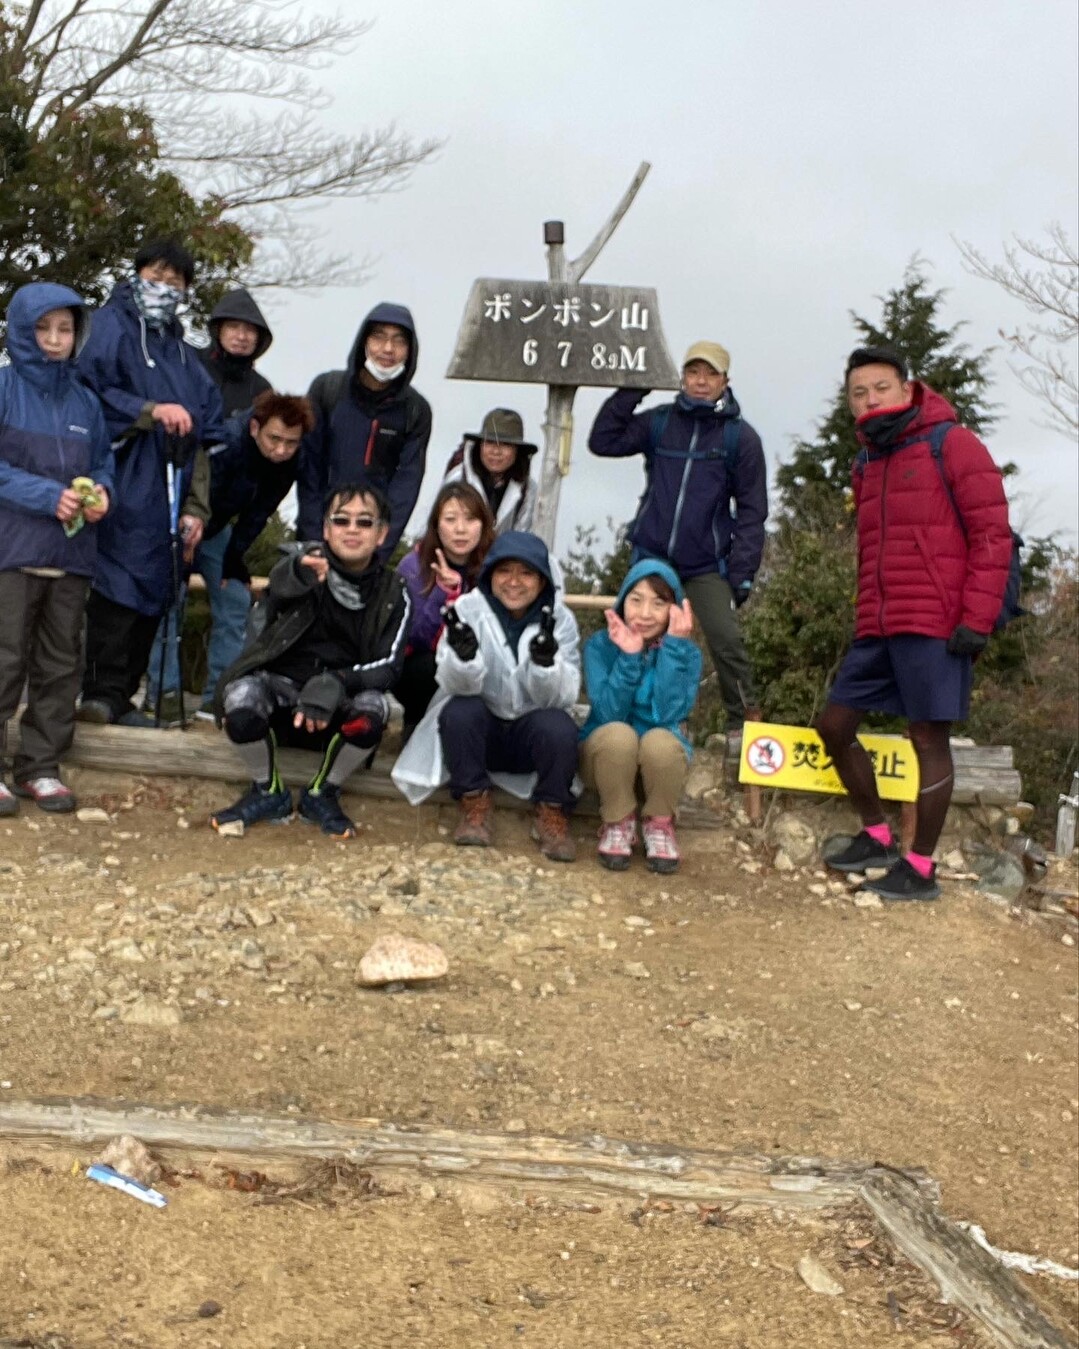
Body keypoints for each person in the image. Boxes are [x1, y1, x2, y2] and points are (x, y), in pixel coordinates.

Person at [818, 347, 1012, 901]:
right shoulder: (867, 461)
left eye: (880, 387)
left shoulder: (952, 443)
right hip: (879, 621)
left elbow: (992, 534)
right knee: (834, 726)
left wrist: (977, 619)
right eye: (858, 392)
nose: (869, 399)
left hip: (936, 620)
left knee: (928, 737)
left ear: (907, 388)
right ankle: (878, 836)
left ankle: (921, 868)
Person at [75, 236, 225, 727]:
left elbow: (205, 434)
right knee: (114, 585)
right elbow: (88, 390)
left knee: (157, 589)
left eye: (175, 282)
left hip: (170, 490)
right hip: (118, 479)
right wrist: (147, 411)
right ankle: (99, 690)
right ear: (137, 273)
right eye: (155, 277)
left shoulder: (186, 356)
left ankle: (125, 697)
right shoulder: (108, 326)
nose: (163, 288)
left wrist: (197, 510)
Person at [588, 340, 767, 747]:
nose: (701, 382)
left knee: (726, 641)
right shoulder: (660, 422)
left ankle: (744, 730)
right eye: (693, 372)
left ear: (726, 381)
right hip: (650, 555)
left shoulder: (741, 438)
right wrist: (636, 388)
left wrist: (741, 575)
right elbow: (603, 440)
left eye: (711, 374)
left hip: (707, 564)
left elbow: (753, 511)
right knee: (633, 634)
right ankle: (625, 718)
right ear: (682, 377)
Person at [210, 483, 410, 839]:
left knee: (374, 710)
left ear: (381, 534)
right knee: (240, 698)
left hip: (340, 707)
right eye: (341, 520)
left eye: (365, 523)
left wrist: (334, 683)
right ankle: (267, 790)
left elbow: (390, 666)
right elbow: (278, 591)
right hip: (281, 699)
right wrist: (294, 576)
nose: (352, 529)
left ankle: (323, 792)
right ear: (326, 528)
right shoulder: (305, 568)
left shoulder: (395, 591)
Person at [392, 531, 581, 862]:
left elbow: (563, 696)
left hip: (528, 737)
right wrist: (465, 659)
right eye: (505, 570)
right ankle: (474, 803)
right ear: (491, 573)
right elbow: (453, 684)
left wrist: (545, 664)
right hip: (481, 736)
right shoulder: (467, 609)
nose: (514, 582)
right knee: (459, 711)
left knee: (560, 726)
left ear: (542, 580)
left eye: (526, 573)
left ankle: (551, 811)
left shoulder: (560, 620)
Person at [0, 283, 114, 815]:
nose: (53, 339)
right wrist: (49, 496)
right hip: (12, 550)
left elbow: (103, 465)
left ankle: (40, 768)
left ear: (77, 334)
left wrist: (103, 494)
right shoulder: (2, 388)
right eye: (42, 328)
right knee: (4, 660)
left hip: (71, 557)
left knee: (59, 665)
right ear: (22, 331)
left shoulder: (85, 401)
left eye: (64, 328)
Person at [146, 391, 315, 721]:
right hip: (181, 517)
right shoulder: (226, 442)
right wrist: (184, 541)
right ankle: (164, 689)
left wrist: (235, 555)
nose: (281, 450)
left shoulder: (293, 459)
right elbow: (190, 488)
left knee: (236, 599)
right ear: (255, 428)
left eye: (291, 443)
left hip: (219, 527)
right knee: (171, 598)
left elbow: (261, 508)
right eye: (274, 439)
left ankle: (219, 695)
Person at [579, 560, 702, 874]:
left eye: (658, 603)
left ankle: (659, 825)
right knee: (619, 734)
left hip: (656, 769)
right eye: (636, 600)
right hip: (606, 761)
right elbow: (607, 714)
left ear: (674, 609)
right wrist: (629, 658)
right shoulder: (600, 646)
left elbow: (669, 714)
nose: (645, 613)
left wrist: (673, 649)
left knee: (662, 740)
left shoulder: (686, 654)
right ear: (622, 601)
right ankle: (617, 821)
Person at [296, 303, 431, 554]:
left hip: (372, 545)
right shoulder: (328, 389)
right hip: (320, 535)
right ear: (364, 341)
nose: (388, 348)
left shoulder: (416, 410)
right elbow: (309, 470)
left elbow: (406, 487)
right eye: (379, 337)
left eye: (399, 341)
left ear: (410, 351)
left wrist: (379, 551)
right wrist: (313, 538)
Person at [394, 482, 495, 742]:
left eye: (470, 519)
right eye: (450, 519)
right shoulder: (413, 565)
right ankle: (416, 735)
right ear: (437, 525)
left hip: (479, 664)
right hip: (422, 670)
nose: (460, 529)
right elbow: (412, 637)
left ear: (483, 524)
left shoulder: (496, 566)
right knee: (425, 667)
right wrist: (444, 591)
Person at [441, 407, 538, 535]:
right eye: (490, 442)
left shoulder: (528, 489)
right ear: (480, 445)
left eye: (505, 444)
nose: (496, 451)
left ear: (517, 451)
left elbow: (522, 534)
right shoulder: (458, 478)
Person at [197, 287, 273, 418]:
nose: (241, 336)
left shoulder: (261, 389)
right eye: (233, 326)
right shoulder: (190, 363)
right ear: (218, 330)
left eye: (250, 330)